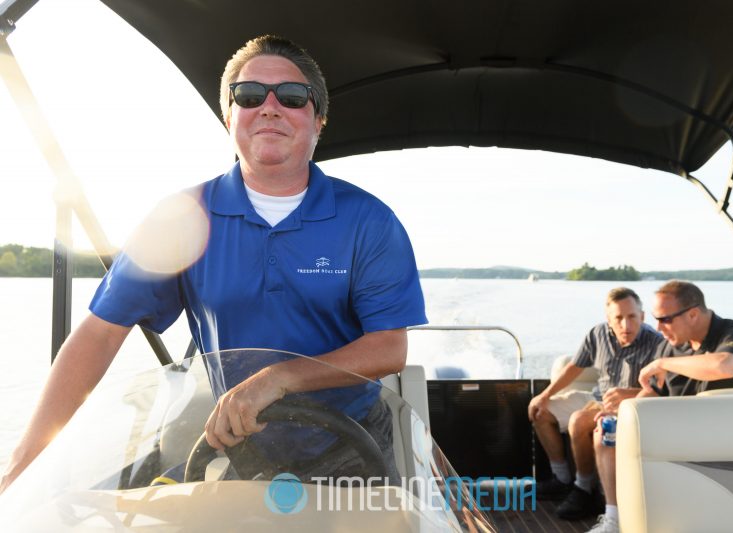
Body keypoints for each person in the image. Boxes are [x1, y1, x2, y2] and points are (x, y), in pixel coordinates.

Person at [0, 35, 427, 492]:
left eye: (291, 96)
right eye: (248, 95)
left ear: (318, 119)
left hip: (352, 445)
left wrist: (279, 378)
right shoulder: (180, 218)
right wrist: (24, 463)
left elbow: (389, 348)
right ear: (229, 116)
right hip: (242, 446)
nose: (269, 107)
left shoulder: (369, 220)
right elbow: (99, 334)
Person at [587, 280, 733, 533]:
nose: (658, 327)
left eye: (665, 319)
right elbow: (656, 393)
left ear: (692, 314)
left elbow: (724, 366)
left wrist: (663, 364)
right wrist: (623, 413)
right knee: (607, 433)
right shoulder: (670, 346)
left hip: (732, 440)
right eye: (656, 319)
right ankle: (615, 519)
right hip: (683, 435)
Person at [527, 287, 661, 521]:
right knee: (540, 411)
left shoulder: (657, 343)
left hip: (633, 405)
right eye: (618, 318)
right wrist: (545, 395)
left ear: (642, 316)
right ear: (609, 319)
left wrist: (630, 393)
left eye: (631, 317)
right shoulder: (597, 334)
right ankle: (561, 480)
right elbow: (575, 367)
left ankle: (583, 490)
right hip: (598, 397)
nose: (625, 325)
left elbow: (665, 389)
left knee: (579, 420)